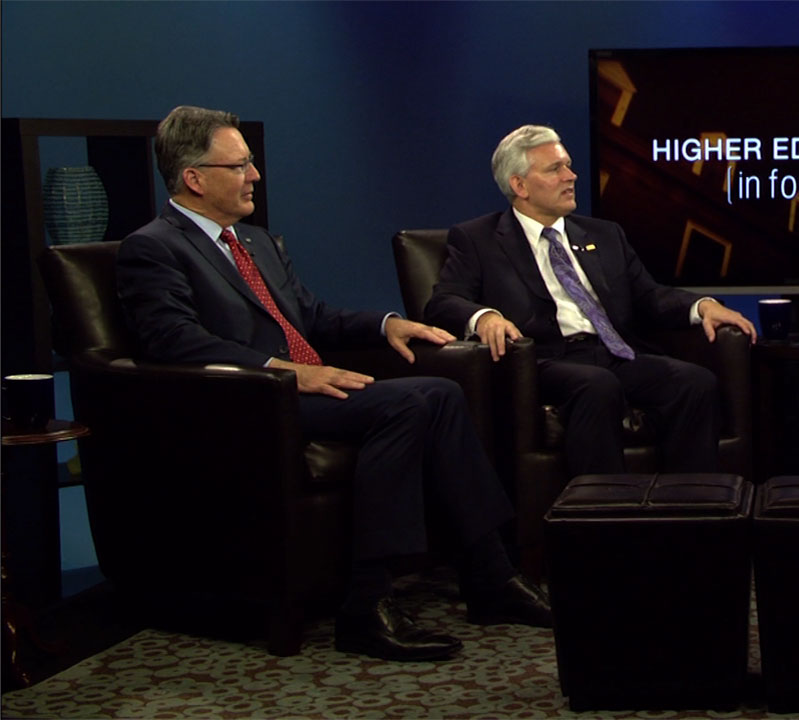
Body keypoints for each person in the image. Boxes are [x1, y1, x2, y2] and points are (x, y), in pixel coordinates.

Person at [116, 106, 551, 663]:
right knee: (407, 405)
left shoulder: (255, 241)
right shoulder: (154, 247)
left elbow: (311, 316)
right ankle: (368, 603)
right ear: (194, 178)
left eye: (251, 163)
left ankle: (488, 574)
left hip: (298, 390)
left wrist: (386, 324)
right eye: (240, 165)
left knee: (439, 393)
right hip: (245, 403)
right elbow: (174, 341)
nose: (254, 175)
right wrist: (286, 371)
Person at [425, 125, 757, 477]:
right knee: (597, 385)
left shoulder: (604, 234)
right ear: (519, 185)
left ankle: (690, 502)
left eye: (568, 165)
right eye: (555, 169)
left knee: (694, 382)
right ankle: (601, 506)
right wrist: (484, 316)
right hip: (542, 360)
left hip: (613, 353)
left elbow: (648, 295)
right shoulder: (479, 239)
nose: (571, 176)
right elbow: (444, 301)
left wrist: (702, 306)